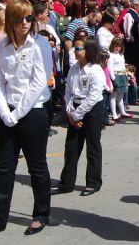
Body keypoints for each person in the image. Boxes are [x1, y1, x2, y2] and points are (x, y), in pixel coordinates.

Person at [0, 0, 53, 238]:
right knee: (4, 168)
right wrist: (5, 112)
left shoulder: (40, 45)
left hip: (33, 112)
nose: (25, 23)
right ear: (10, 22)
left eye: (29, 18)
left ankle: (40, 215)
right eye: (19, 19)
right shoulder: (4, 45)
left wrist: (16, 113)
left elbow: (39, 83)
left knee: (37, 166)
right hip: (8, 113)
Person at [52, 37, 108, 196]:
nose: (74, 52)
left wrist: (77, 114)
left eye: (78, 49)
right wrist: (70, 111)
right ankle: (66, 183)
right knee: (71, 147)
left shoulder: (95, 70)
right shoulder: (74, 68)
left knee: (93, 145)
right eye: (74, 49)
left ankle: (93, 182)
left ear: (88, 51)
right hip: (75, 108)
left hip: (91, 109)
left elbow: (93, 96)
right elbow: (68, 90)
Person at [107, 37, 132, 122]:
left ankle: (123, 112)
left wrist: (126, 76)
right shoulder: (110, 55)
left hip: (123, 75)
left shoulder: (121, 54)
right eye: (116, 46)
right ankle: (114, 114)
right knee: (114, 96)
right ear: (112, 45)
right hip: (116, 76)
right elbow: (109, 68)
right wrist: (113, 79)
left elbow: (123, 66)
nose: (118, 48)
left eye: (119, 46)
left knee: (121, 96)